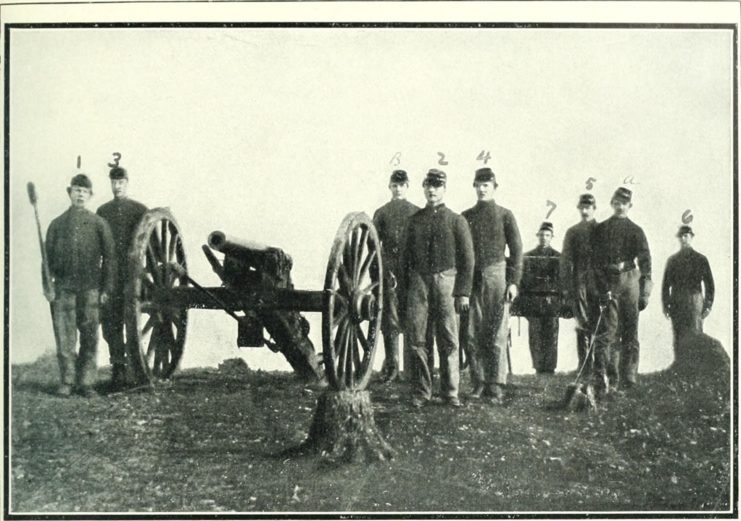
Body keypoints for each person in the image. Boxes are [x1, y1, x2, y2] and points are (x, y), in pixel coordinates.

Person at [400, 169, 474, 408]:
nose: (432, 190)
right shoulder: (414, 221)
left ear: (444, 189)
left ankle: (450, 392)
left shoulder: (456, 220)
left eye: (437, 186)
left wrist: (463, 292)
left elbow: (468, 260)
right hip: (419, 283)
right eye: (428, 186)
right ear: (423, 188)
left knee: (449, 339)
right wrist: (405, 289)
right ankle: (422, 391)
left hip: (447, 284)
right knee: (418, 339)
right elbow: (404, 259)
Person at [46, 174, 115, 397]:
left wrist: (106, 289)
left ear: (90, 195)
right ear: (70, 193)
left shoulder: (99, 224)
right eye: (76, 190)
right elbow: (46, 261)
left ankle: (86, 383)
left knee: (89, 335)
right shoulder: (56, 224)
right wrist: (48, 287)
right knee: (65, 336)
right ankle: (67, 381)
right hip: (63, 288)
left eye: (84, 192)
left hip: (91, 288)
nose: (80, 195)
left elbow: (110, 259)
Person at [461, 167, 523, 404]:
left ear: (495, 187)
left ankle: (495, 384)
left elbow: (517, 251)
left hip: (498, 277)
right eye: (478, 184)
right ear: (474, 187)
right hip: (473, 278)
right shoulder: (466, 216)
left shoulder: (505, 215)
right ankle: (478, 382)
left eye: (487, 185)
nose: (482, 188)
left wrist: (514, 282)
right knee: (472, 332)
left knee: (497, 332)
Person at [591, 187, 652, 397]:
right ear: (612, 204)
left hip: (630, 279)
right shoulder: (601, 229)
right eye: (616, 202)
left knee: (631, 331)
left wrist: (645, 291)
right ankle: (606, 379)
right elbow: (595, 262)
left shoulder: (636, 230)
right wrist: (602, 287)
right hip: (610, 279)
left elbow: (645, 262)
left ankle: (629, 379)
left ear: (630, 205)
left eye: (624, 203)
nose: (620, 206)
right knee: (608, 331)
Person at [96, 165, 148, 389]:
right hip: (110, 273)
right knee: (110, 321)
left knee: (132, 321)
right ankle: (118, 366)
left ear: (127, 183)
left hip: (133, 274)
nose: (117, 187)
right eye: (114, 183)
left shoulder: (140, 210)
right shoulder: (103, 211)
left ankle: (135, 368)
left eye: (121, 183)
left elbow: (150, 245)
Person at [372, 170, 420, 383]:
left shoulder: (417, 212)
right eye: (394, 184)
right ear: (389, 187)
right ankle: (392, 366)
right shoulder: (381, 213)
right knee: (389, 320)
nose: (398, 188)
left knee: (412, 318)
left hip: (412, 271)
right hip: (390, 272)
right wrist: (383, 269)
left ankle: (412, 370)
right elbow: (373, 243)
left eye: (401, 184)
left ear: (408, 186)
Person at [560, 194, 599, 372]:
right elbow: (565, 262)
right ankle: (584, 364)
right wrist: (567, 289)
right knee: (582, 323)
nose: (585, 211)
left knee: (600, 323)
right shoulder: (573, 232)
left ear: (594, 208)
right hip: (580, 282)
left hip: (599, 283)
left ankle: (600, 364)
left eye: (588, 207)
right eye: (582, 208)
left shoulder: (603, 230)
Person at [661, 225, 715, 349]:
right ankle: (681, 367)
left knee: (696, 334)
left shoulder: (701, 259)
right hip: (677, 299)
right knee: (679, 335)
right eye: (681, 237)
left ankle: (695, 368)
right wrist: (666, 305)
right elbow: (666, 285)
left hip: (694, 300)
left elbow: (709, 284)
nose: (683, 239)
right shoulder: (673, 260)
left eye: (686, 236)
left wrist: (708, 306)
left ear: (691, 237)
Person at [524, 222, 560, 374]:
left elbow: (560, 280)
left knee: (551, 334)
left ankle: (550, 368)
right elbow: (525, 279)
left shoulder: (558, 257)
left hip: (551, 300)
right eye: (542, 235)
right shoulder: (529, 256)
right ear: (537, 236)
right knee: (535, 335)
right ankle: (538, 367)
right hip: (534, 300)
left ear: (552, 237)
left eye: (547, 235)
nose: (544, 238)